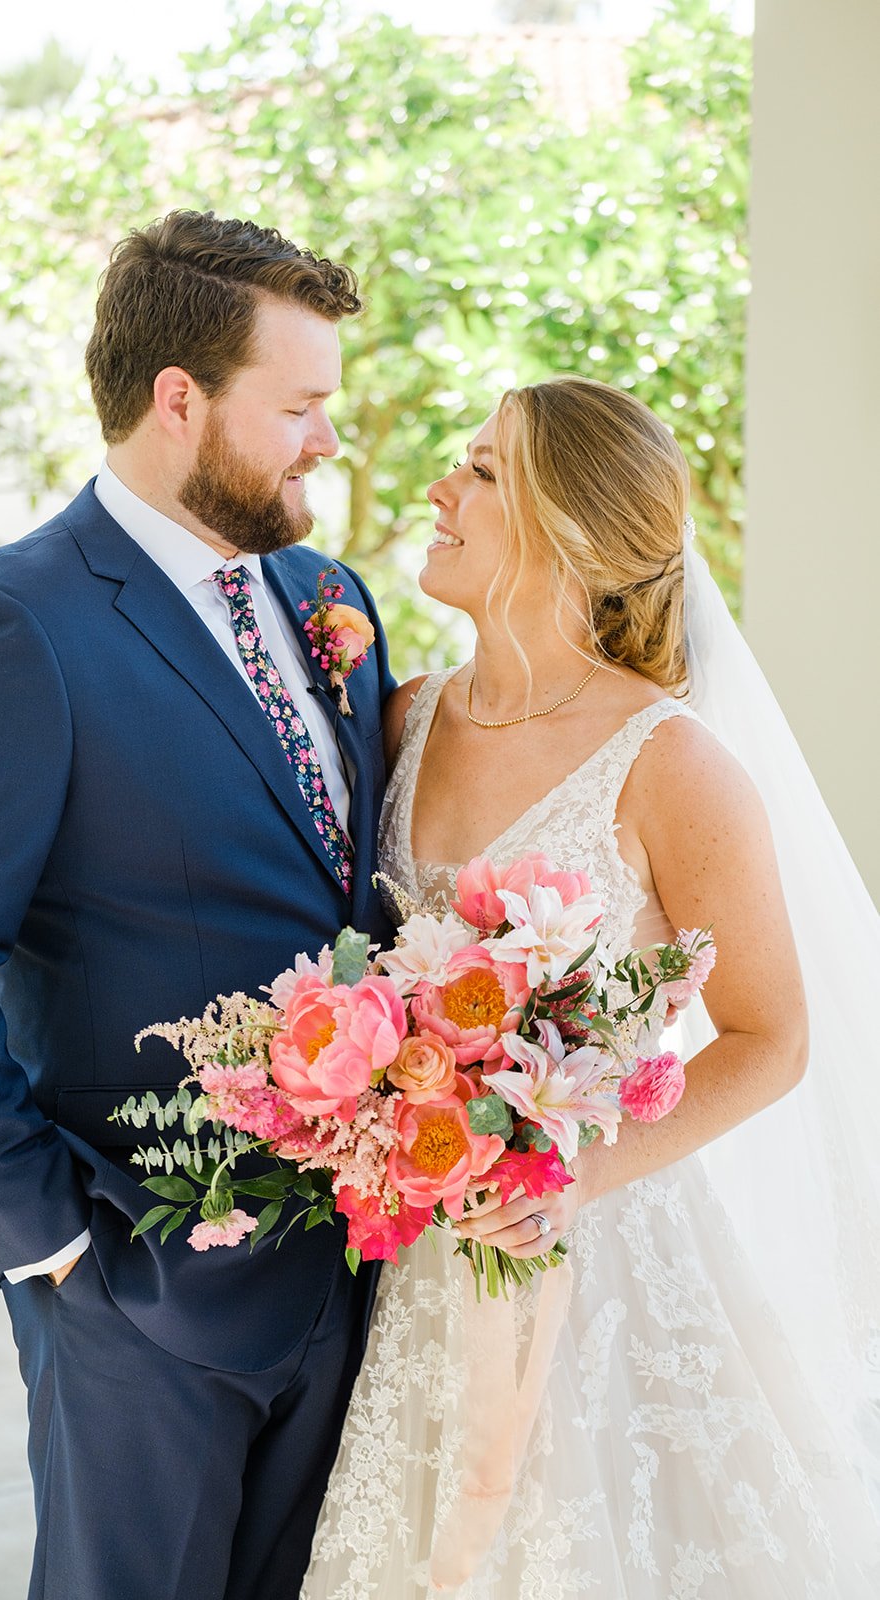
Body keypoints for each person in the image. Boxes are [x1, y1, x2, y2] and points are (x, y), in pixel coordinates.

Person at [0, 210, 396, 1600]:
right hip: (140, 1291)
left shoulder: (327, 598)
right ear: (178, 398)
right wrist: (59, 1249)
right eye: (298, 407)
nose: (328, 440)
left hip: (357, 1266)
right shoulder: (7, 627)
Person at [302, 376, 880, 1596]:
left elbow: (769, 1035)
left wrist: (567, 1177)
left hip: (602, 1246)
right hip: (420, 1256)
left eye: (480, 471)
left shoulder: (668, 762)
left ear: (570, 530)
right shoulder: (405, 719)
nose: (437, 490)